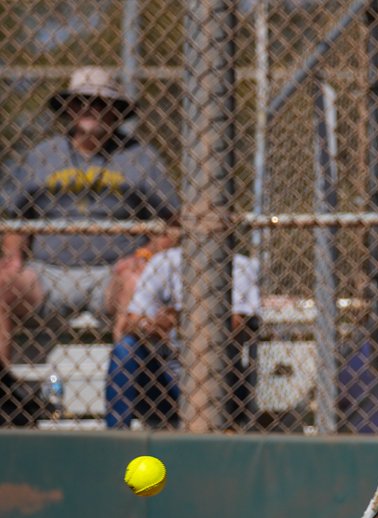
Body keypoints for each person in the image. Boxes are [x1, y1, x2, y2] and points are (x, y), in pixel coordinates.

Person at [1, 67, 179, 409]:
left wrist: (144, 255)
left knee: (137, 282)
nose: (90, 110)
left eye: (100, 103)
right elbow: (15, 215)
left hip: (111, 273)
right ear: (68, 109)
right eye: (81, 102)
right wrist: (12, 254)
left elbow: (172, 223)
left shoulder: (139, 158)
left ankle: (126, 403)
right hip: (47, 272)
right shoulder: (43, 155)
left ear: (116, 112)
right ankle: (3, 400)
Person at [105, 247, 259, 430]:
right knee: (125, 349)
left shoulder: (240, 266)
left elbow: (237, 323)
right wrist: (151, 326)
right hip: (168, 380)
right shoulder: (164, 261)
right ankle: (117, 439)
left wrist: (181, 318)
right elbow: (131, 321)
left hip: (219, 380)